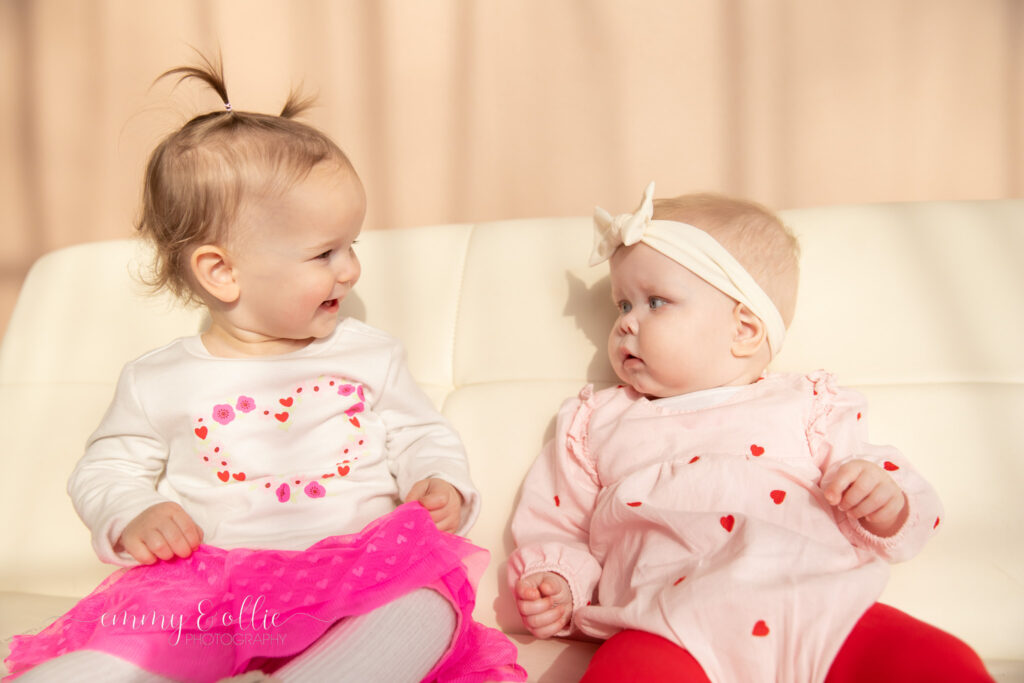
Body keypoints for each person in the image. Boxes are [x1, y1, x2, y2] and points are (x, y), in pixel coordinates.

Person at [4, 55, 525, 683]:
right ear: (221, 272)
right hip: (215, 588)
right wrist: (131, 512)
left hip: (356, 577)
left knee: (424, 610)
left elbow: (421, 433)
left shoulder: (368, 354)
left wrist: (439, 478)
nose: (350, 270)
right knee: (131, 644)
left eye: (350, 246)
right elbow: (106, 467)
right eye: (323, 253)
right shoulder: (158, 380)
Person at [508, 183, 993, 682]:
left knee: (943, 663)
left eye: (655, 302)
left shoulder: (806, 407)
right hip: (664, 622)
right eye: (622, 305)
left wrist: (883, 501)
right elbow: (556, 520)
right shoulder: (597, 422)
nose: (627, 324)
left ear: (744, 329)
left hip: (816, 606)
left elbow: (883, 485)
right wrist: (559, 579)